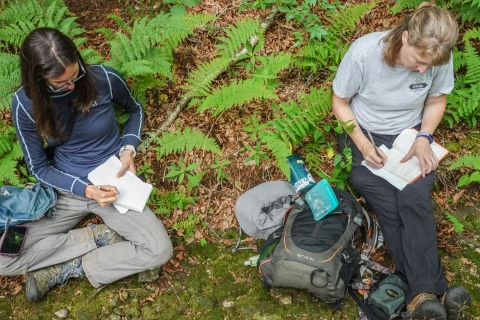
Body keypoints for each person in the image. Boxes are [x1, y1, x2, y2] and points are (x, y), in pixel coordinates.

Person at [3, 27, 173, 302]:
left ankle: (72, 267)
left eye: (75, 74)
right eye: (61, 82)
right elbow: (38, 168)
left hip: (115, 183)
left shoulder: (103, 77)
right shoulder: (25, 104)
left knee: (158, 250)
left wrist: (128, 149)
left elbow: (135, 109)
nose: (72, 84)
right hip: (65, 191)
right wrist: (85, 190)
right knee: (4, 256)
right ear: (38, 79)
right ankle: (98, 237)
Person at [332, 3, 471, 320]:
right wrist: (364, 145)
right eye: (419, 61)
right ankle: (435, 290)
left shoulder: (437, 58)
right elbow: (339, 103)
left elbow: (436, 99)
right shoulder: (364, 53)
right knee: (391, 210)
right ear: (405, 37)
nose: (424, 70)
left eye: (430, 64)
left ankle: (421, 297)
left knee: (415, 199)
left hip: (410, 136)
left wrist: (425, 137)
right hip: (365, 136)